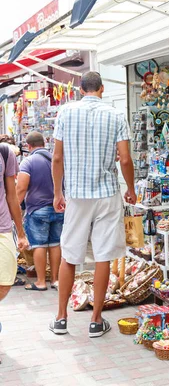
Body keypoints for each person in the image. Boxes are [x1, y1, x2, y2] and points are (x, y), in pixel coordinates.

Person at [50, 71, 136, 338]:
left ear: (80, 89)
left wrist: (57, 193)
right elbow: (124, 159)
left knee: (70, 255)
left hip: (76, 194)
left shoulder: (65, 113)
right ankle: (96, 321)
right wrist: (131, 189)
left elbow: (57, 158)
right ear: (101, 89)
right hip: (107, 193)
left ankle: (61, 318)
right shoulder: (116, 115)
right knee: (103, 256)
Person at [17, 131, 63, 291]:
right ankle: (55, 280)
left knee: (39, 245)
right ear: (43, 143)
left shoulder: (28, 162)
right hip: (58, 208)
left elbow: (21, 187)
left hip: (37, 209)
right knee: (56, 244)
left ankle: (41, 281)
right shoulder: (55, 159)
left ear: (29, 146)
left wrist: (15, 207)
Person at [0, 140, 29, 363]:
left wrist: (20, 232)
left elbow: (12, 194)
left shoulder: (4, 152)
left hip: (2, 228)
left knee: (5, 282)